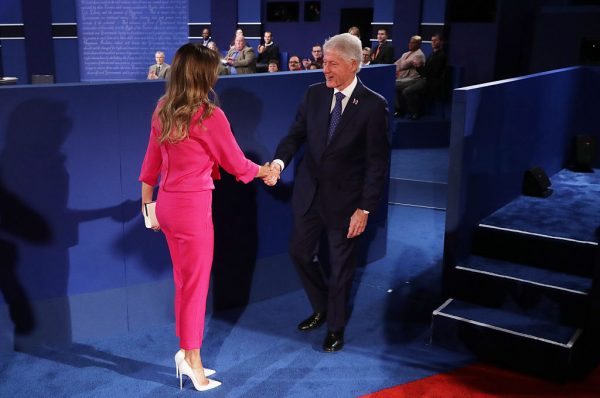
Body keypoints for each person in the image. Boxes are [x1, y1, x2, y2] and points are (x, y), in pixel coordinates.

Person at [139, 43, 272, 391]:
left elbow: (150, 165)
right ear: (202, 75)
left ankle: (186, 352)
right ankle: (192, 360)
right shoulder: (210, 116)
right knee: (195, 288)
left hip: (167, 205)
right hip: (192, 209)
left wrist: (147, 206)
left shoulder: (162, 108)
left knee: (184, 284)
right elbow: (237, 165)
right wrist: (267, 170)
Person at [265, 33, 390, 352]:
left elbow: (377, 163)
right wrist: (279, 163)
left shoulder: (374, 106)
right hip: (309, 196)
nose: (326, 70)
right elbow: (294, 136)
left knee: (340, 268)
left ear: (353, 64)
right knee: (299, 252)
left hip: (347, 204)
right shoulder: (314, 95)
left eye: (332, 64)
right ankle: (321, 306)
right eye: (324, 63)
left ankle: (335, 327)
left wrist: (364, 208)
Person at [402, 33, 448, 119]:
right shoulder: (431, 54)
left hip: (431, 82)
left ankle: (416, 112)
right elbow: (425, 72)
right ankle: (402, 110)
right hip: (424, 79)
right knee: (401, 86)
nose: (433, 42)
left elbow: (433, 73)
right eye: (432, 40)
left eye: (435, 40)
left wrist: (420, 67)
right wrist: (418, 67)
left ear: (441, 42)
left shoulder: (441, 55)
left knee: (407, 91)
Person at [394, 35, 426, 116]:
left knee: (393, 84)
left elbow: (402, 66)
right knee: (392, 84)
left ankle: (401, 109)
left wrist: (399, 65)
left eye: (413, 43)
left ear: (418, 44)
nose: (410, 44)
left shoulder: (419, 55)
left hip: (414, 79)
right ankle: (398, 109)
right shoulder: (405, 54)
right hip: (404, 79)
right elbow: (395, 64)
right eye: (410, 42)